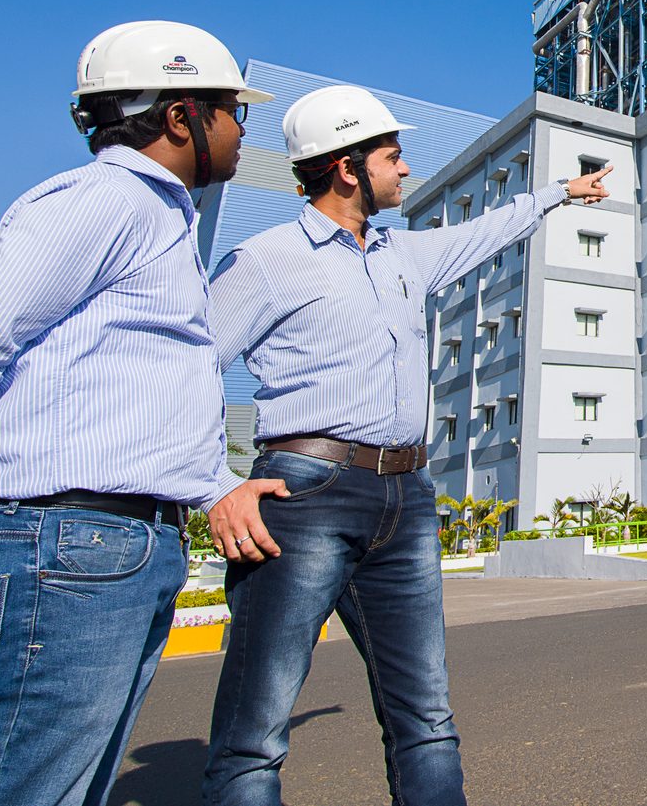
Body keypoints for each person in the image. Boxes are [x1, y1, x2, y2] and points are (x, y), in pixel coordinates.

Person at [0, 20, 288, 806]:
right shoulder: (107, 201)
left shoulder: (158, 222)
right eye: (234, 109)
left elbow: (125, 399)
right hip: (59, 551)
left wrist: (213, 484)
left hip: (95, 547)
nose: (241, 128)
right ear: (179, 116)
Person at [201, 85, 610, 806]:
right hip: (304, 493)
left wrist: (559, 193)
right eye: (393, 155)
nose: (406, 169)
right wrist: (214, 482)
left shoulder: (402, 254)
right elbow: (184, 368)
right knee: (255, 736)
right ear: (347, 167)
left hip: (406, 498)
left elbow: (487, 229)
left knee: (426, 718)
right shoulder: (265, 260)